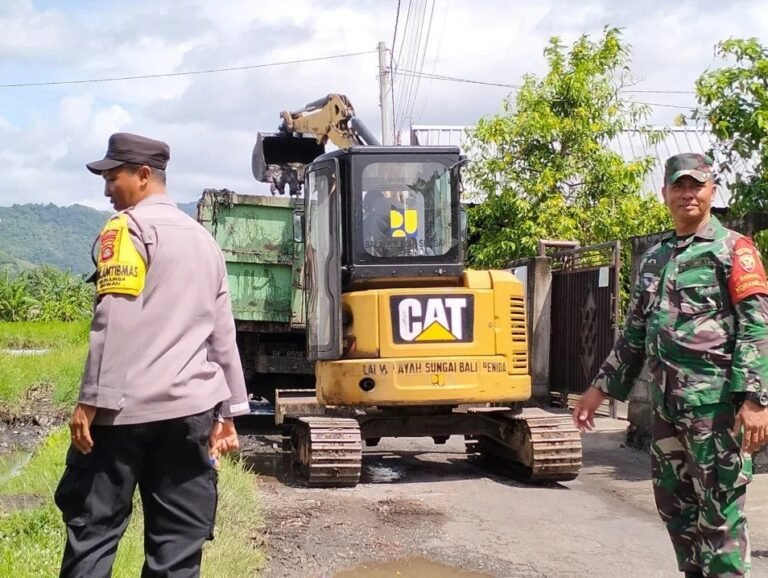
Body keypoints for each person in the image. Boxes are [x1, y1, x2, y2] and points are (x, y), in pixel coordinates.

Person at [54, 132, 250, 578]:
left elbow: (116, 318)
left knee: (93, 534)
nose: (107, 190)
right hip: (190, 413)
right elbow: (223, 332)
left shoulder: (127, 230)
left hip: (122, 415)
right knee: (178, 549)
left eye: (112, 177)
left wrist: (90, 400)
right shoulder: (205, 241)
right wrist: (230, 412)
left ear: (144, 176)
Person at [573, 152, 768, 578]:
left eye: (696, 185)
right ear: (664, 194)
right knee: (677, 514)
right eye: (678, 186)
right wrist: (601, 387)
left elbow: (757, 326)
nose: (687, 194)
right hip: (667, 411)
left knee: (719, 518)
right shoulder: (656, 257)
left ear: (712, 191)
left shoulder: (735, 249)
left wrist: (754, 399)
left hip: (715, 410)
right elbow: (636, 333)